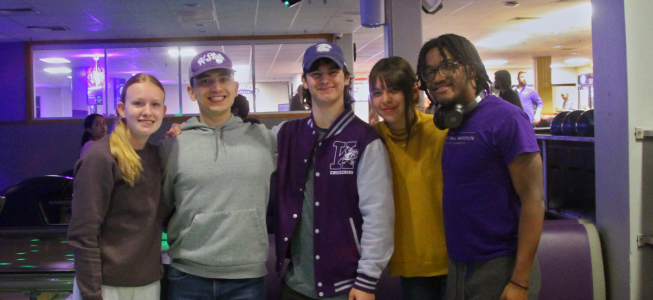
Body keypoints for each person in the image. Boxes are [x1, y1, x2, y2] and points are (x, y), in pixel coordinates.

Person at [417, 34, 544, 300]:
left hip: (500, 266)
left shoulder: (507, 119)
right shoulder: (453, 123)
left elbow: (533, 201)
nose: (437, 77)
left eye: (447, 66)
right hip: (459, 265)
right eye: (429, 72)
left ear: (471, 68)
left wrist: (520, 282)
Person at [272, 42, 394, 300]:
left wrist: (367, 281)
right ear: (305, 81)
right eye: (316, 74)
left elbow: (378, 215)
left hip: (347, 287)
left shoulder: (365, 139)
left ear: (346, 77)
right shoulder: (287, 134)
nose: (324, 79)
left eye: (333, 71)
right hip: (294, 285)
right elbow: (243, 140)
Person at [160, 50, 276, 299]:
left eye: (223, 79)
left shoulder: (265, 140)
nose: (216, 87)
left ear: (235, 88)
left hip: (247, 279)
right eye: (205, 80)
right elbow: (159, 207)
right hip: (187, 277)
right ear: (192, 91)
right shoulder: (173, 145)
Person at [68, 73, 167, 300]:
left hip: (147, 282)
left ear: (163, 110)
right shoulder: (100, 157)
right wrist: (92, 293)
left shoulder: (156, 155)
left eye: (155, 104)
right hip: (106, 286)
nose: (147, 111)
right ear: (122, 109)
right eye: (138, 103)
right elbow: (83, 233)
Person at [368, 56, 449, 300]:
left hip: (455, 258)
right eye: (378, 92)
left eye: (394, 90)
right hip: (411, 263)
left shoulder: (441, 132)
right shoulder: (371, 140)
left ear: (412, 91)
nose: (386, 100)